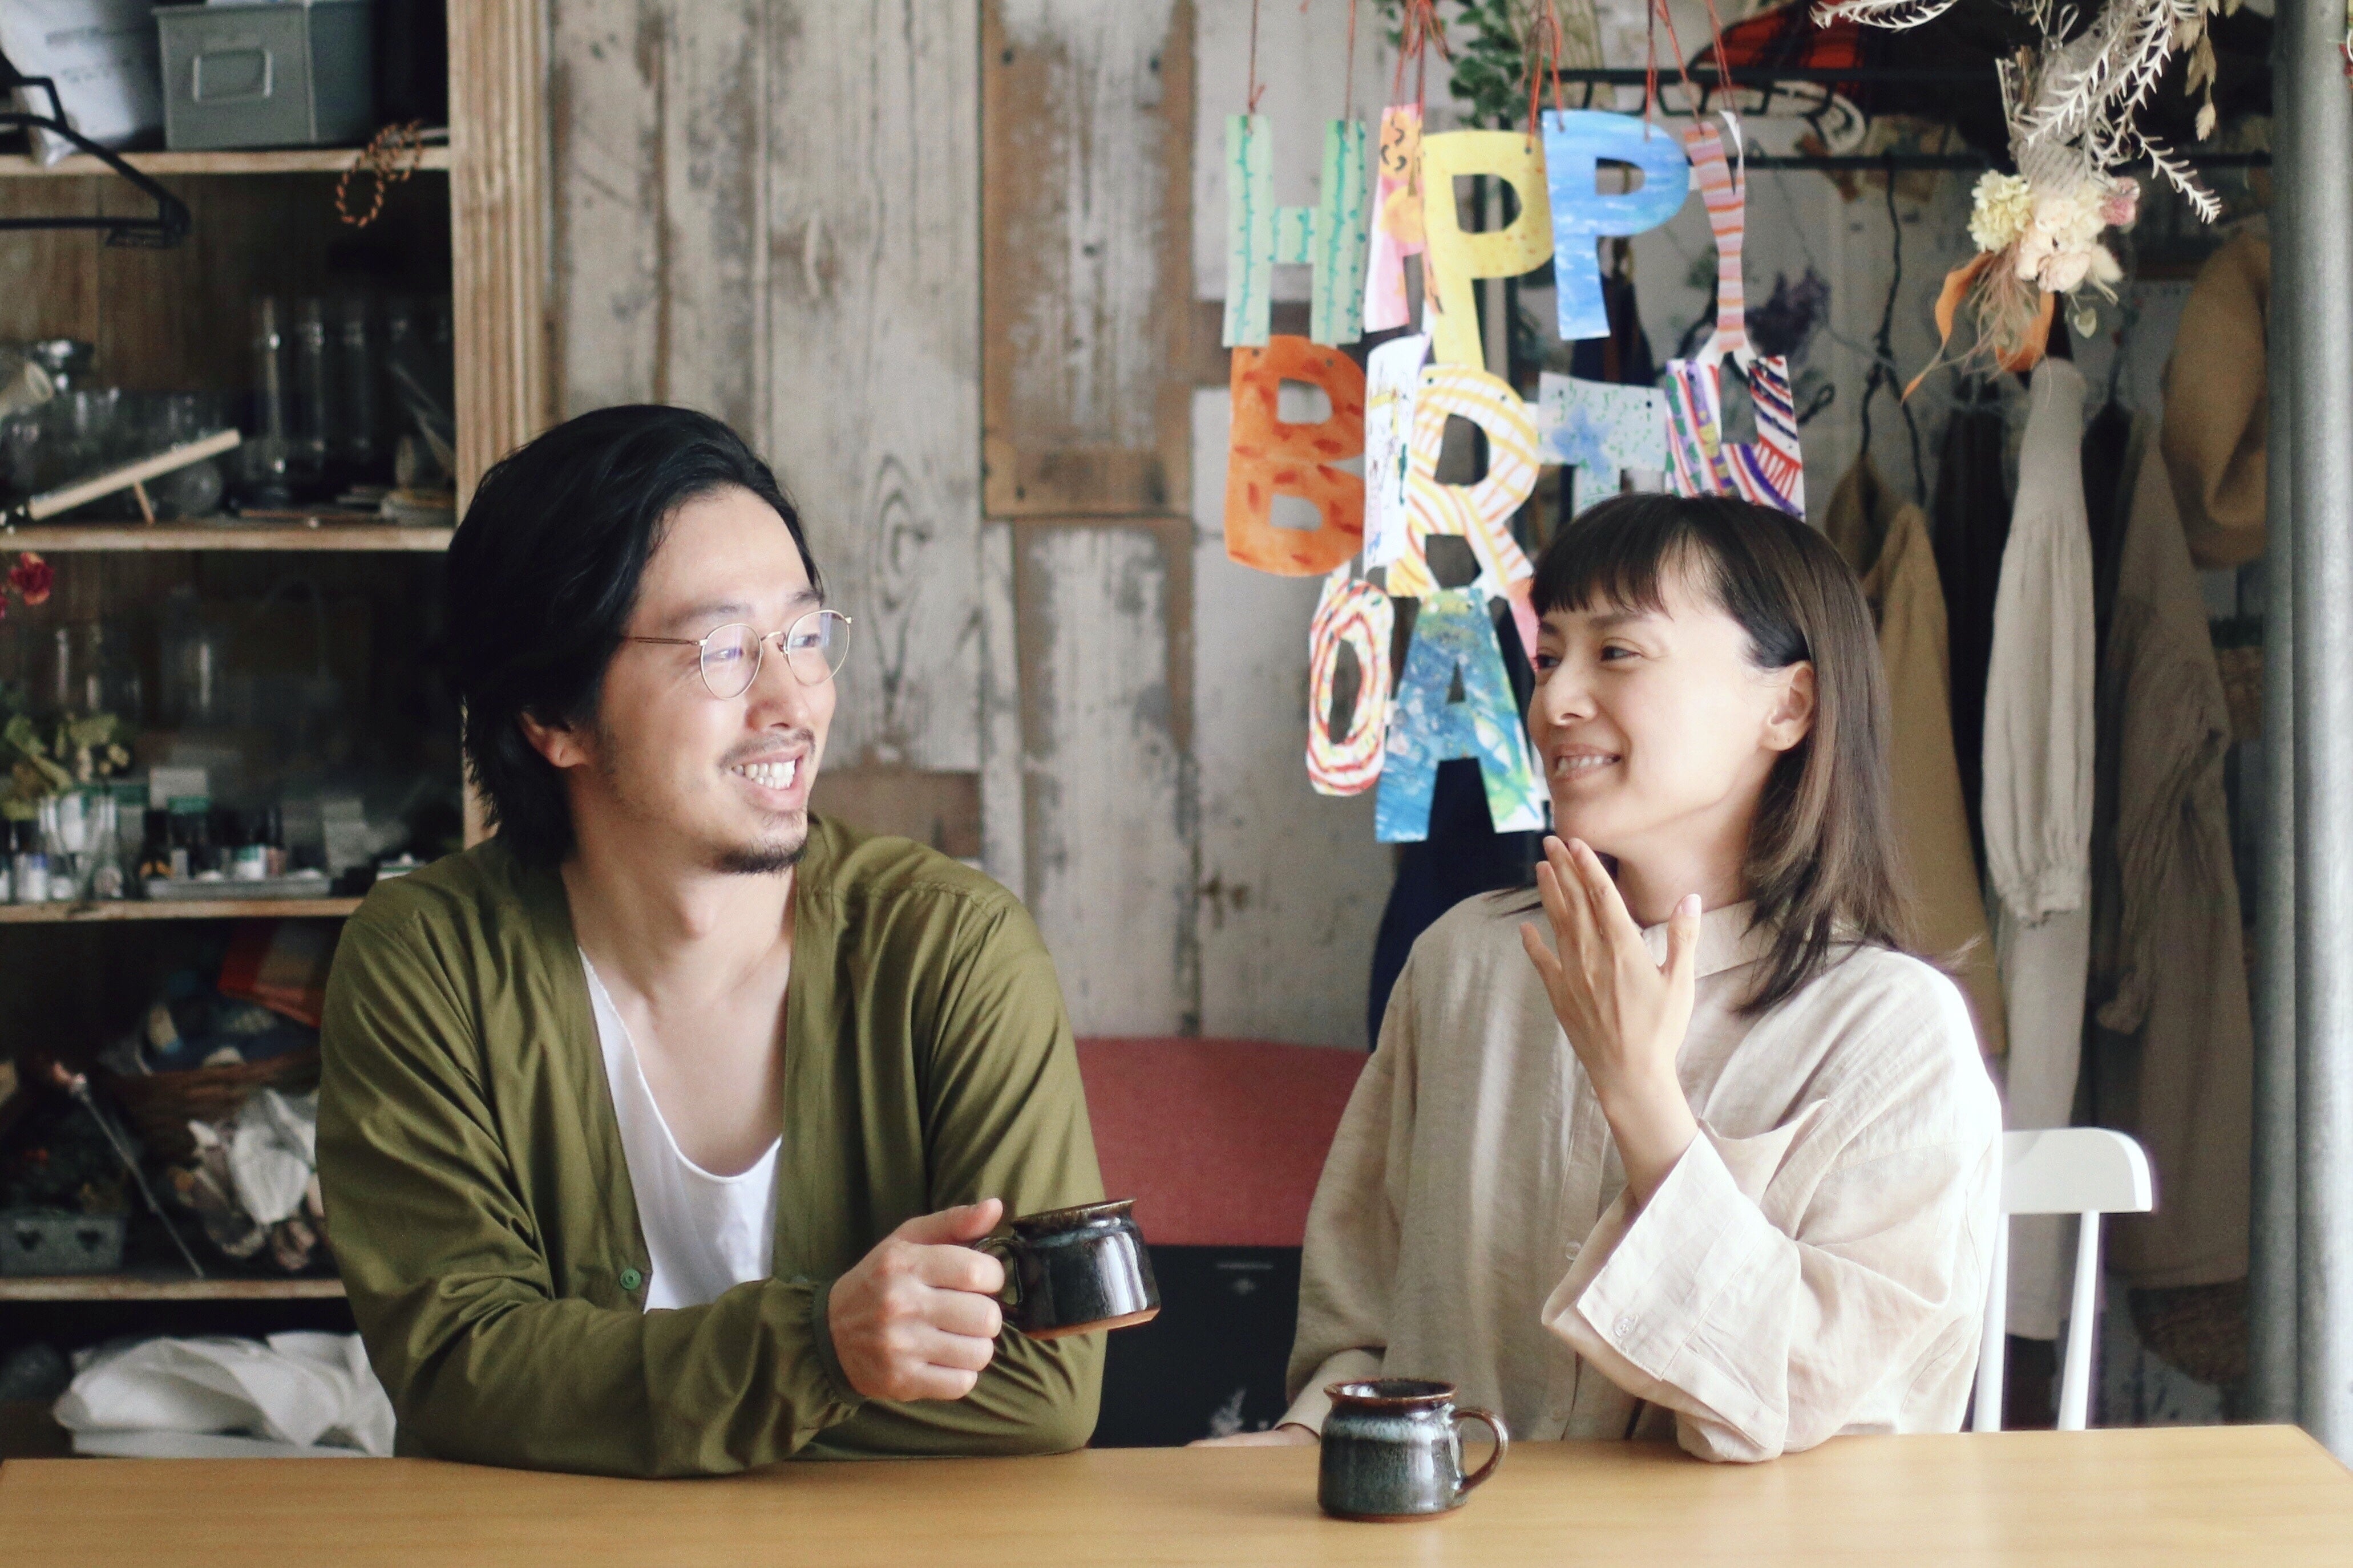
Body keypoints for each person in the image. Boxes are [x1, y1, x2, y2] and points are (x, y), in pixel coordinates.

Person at [317, 406, 1104, 1476]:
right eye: (724, 650)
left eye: (805, 636)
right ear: (554, 716)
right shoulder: (429, 966)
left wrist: (597, 1399)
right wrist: (822, 1353)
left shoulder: (955, 952)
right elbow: (457, 1366)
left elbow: (1044, 1381)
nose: (792, 700)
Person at [1207, 493, 2002, 1462]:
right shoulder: (1462, 965)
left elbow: (1823, 1416)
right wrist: (1298, 1439)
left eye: (1617, 651)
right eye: (1549, 658)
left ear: (1788, 705)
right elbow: (1363, 1329)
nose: (1554, 703)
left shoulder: (1891, 1032)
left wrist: (1642, 1098)